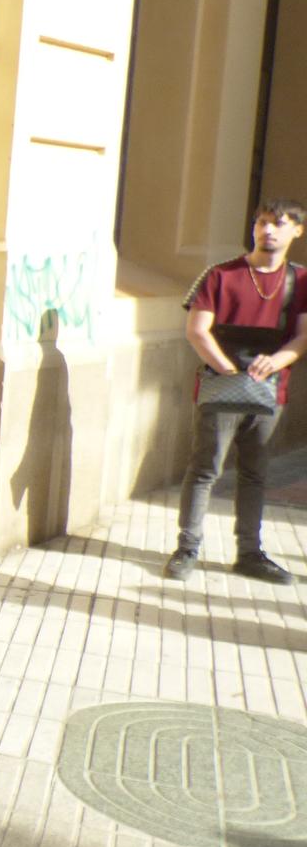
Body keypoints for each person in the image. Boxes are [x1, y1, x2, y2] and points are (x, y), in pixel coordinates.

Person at [164, 199, 307, 583]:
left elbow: (302, 335)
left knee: (254, 472)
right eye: (262, 222)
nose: (268, 230)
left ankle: (249, 553)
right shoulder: (220, 275)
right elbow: (198, 329)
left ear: (297, 230)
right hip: (221, 385)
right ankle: (187, 547)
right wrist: (226, 367)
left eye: (279, 223)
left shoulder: (302, 280)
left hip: (268, 391)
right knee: (205, 468)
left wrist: (275, 362)